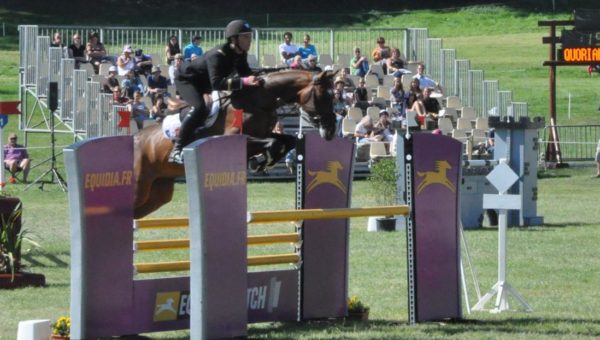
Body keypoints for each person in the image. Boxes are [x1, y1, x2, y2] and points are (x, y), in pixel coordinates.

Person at [169, 19, 260, 164]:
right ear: (234, 39)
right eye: (245, 37)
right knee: (199, 107)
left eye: (250, 37)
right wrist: (244, 81)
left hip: (205, 83)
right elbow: (217, 83)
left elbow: (247, 74)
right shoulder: (217, 55)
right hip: (187, 79)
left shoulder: (240, 54)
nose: (249, 41)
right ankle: (176, 150)